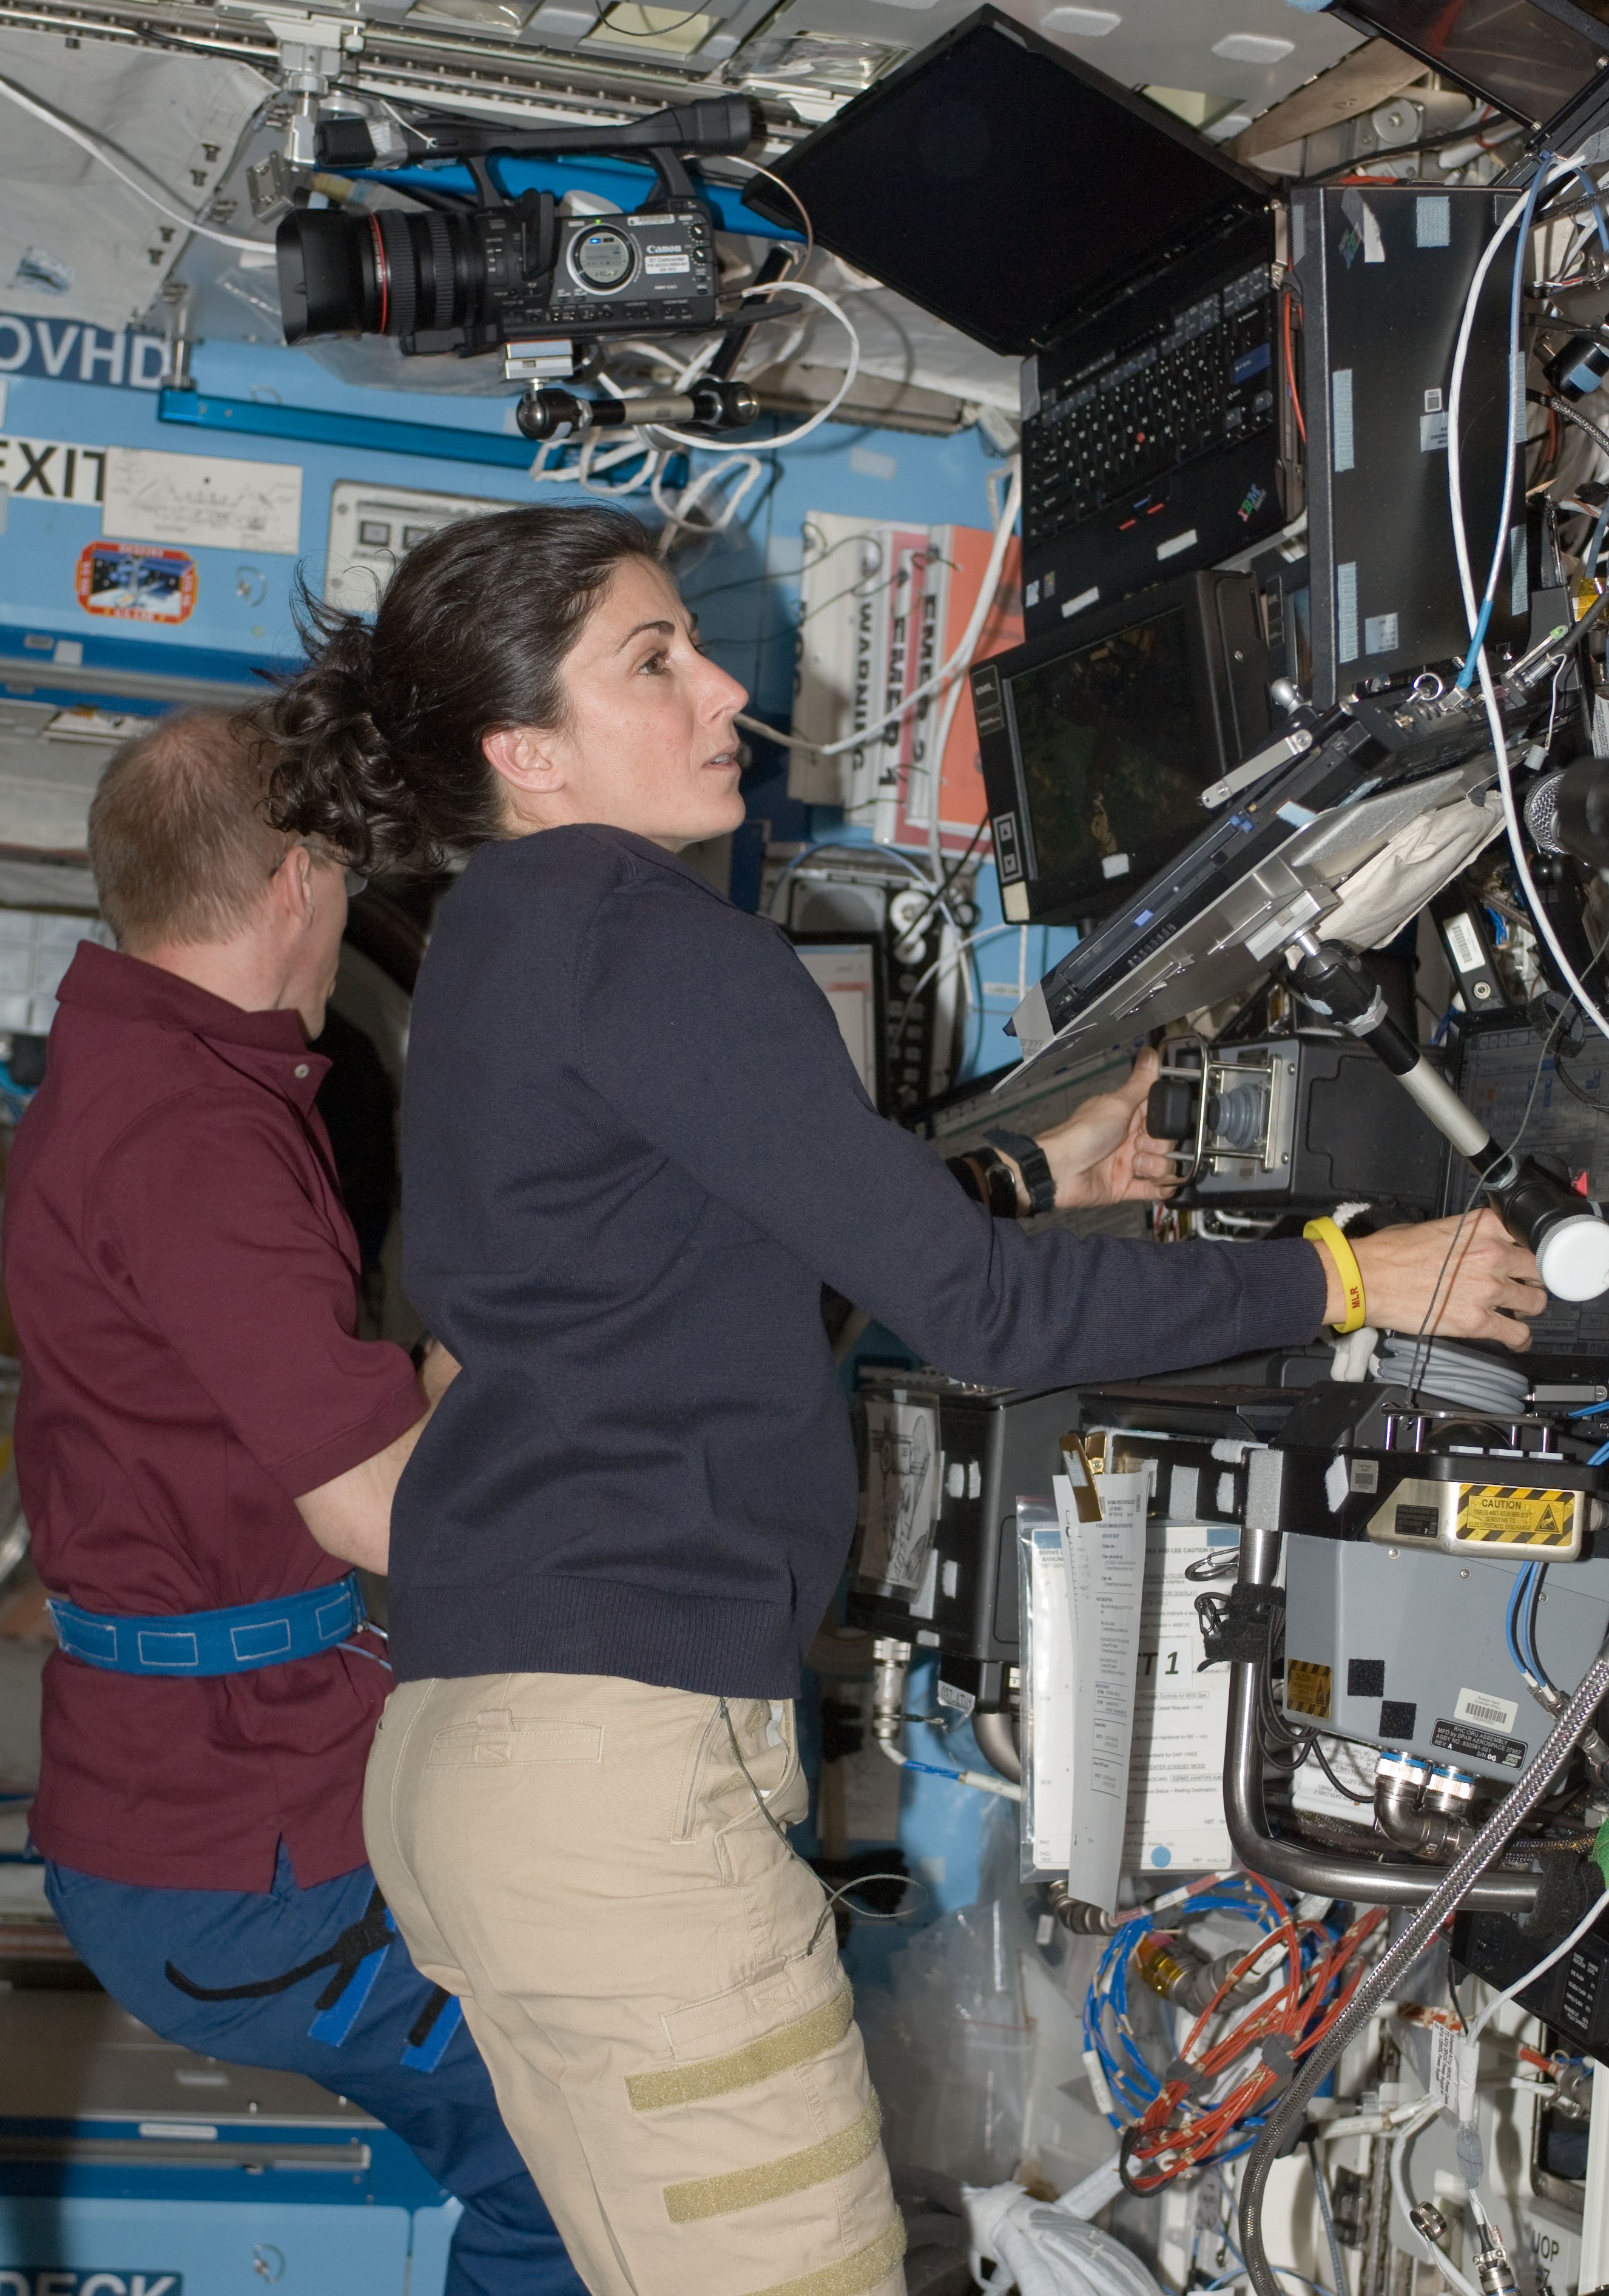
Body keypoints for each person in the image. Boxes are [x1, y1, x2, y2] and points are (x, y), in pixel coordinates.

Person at [263, 503, 1545, 2296]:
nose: (725, 686)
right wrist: (1346, 1280)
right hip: (610, 1776)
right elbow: (993, 1325)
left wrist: (1022, 1174)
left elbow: (713, 1243)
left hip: (478, 1764)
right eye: (656, 658)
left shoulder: (498, 944)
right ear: (524, 750)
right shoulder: (653, 939)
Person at [1, 711, 584, 2296]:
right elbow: (382, 1515)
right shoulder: (196, 1136)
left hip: (214, 1804)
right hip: (244, 1854)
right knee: (582, 2157)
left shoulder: (145, 1079)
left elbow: (261, 1428)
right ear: (301, 874)